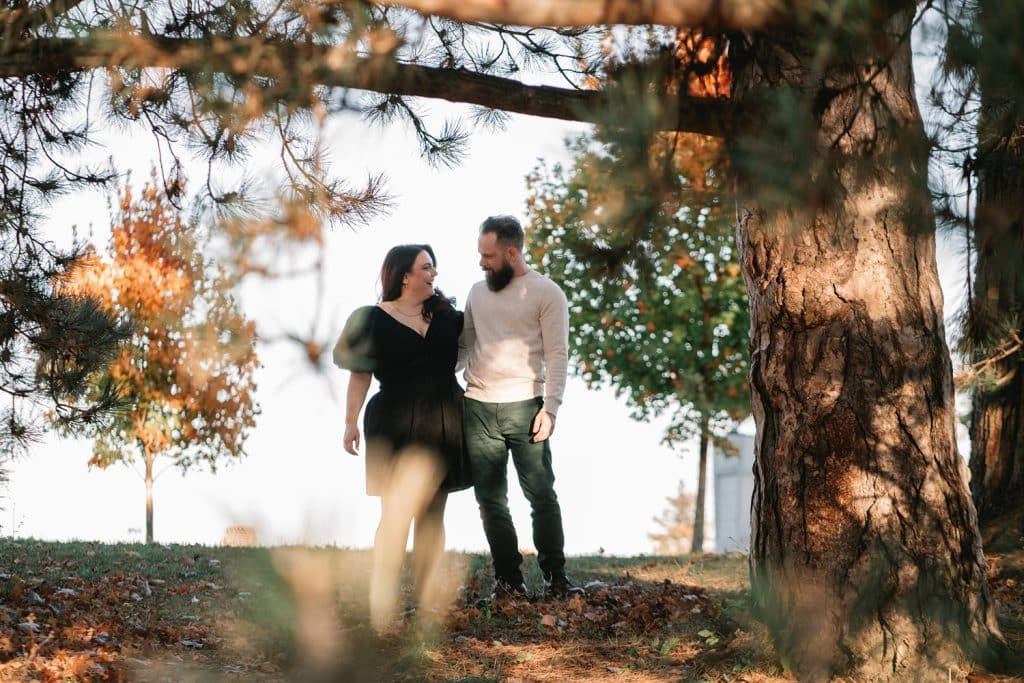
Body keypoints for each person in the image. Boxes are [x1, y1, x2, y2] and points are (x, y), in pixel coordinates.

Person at [334, 244, 472, 631]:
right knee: (395, 517)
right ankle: (382, 605)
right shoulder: (371, 319)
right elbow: (359, 374)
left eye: (435, 267)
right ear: (404, 275)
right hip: (393, 421)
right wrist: (350, 422)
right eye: (427, 267)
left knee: (432, 516)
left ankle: (427, 605)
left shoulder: (449, 316)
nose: (434, 274)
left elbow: (478, 352)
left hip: (444, 418)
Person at [460, 215, 583, 600]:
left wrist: (552, 408)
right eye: (481, 254)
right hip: (479, 408)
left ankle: (555, 577)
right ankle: (509, 583)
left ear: (512, 253)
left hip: (527, 407)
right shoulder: (476, 293)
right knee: (490, 501)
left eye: (489, 255)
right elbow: (465, 347)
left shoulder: (547, 294)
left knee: (541, 494)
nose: (481, 262)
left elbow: (557, 354)